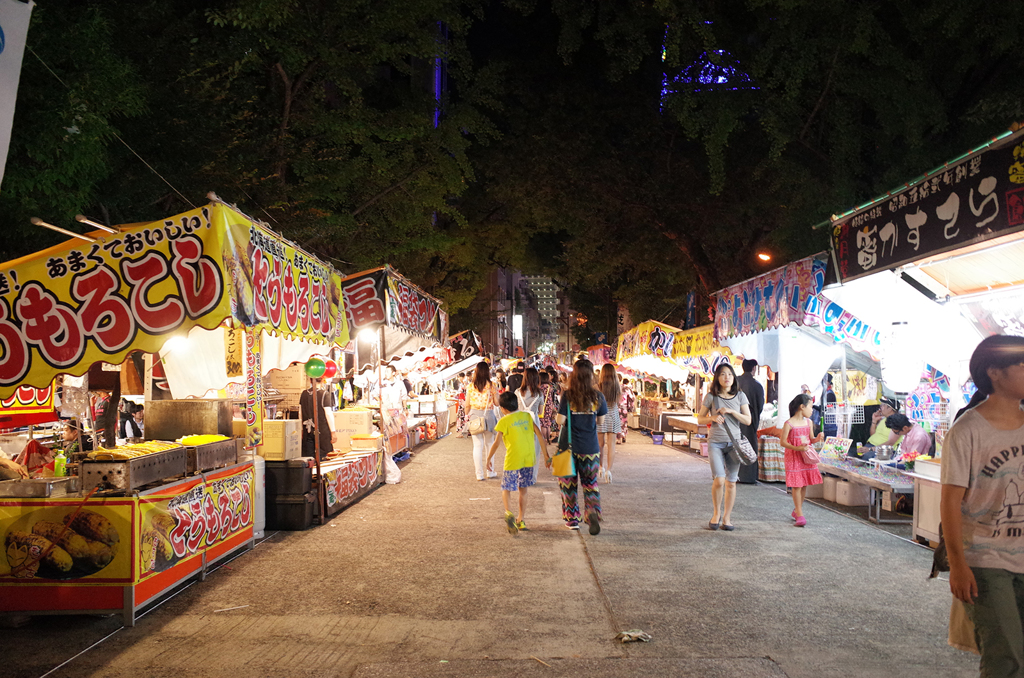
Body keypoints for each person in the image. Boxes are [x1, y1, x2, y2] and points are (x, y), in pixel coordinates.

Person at [941, 335, 1024, 678]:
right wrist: (958, 565)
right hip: (985, 562)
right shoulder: (967, 431)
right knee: (1006, 660)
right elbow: (949, 503)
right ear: (995, 372)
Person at [696, 363, 752, 531]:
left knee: (731, 482)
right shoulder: (711, 397)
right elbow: (700, 419)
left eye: (729, 374)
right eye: (722, 374)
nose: (726, 377)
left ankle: (727, 518)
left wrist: (732, 412)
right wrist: (712, 418)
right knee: (719, 479)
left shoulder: (740, 396)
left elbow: (748, 420)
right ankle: (716, 513)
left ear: (734, 377)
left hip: (734, 445)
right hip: (715, 443)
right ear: (717, 378)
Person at [556, 359, 608, 534]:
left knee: (568, 486)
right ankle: (592, 512)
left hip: (568, 448)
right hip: (590, 448)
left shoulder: (568, 395)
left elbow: (560, 420)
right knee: (590, 484)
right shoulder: (598, 396)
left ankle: (572, 520)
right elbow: (601, 421)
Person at [487, 391, 548, 535]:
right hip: (528, 459)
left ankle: (509, 513)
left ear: (503, 409)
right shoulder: (527, 416)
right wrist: (546, 455)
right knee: (523, 489)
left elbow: (496, 443)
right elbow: (539, 434)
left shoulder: (503, 421)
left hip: (512, 460)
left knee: (506, 488)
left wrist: (489, 458)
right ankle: (521, 519)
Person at [779, 394, 823, 527]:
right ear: (801, 407)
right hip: (793, 457)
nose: (812, 410)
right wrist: (796, 448)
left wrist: (818, 438)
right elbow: (782, 442)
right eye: (810, 407)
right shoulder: (789, 424)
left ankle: (797, 510)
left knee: (803, 484)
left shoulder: (808, 423)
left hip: (805, 457)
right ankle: (799, 513)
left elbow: (811, 439)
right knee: (797, 485)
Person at [467, 362, 500, 480]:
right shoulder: (492, 385)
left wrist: (467, 416)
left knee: (477, 445)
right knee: (489, 444)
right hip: (489, 416)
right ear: (487, 372)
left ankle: (479, 474)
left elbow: (467, 405)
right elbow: (497, 403)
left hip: (475, 416)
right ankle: (490, 472)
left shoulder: (470, 386)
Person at [735, 359, 765, 484]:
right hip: (749, 419)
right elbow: (760, 405)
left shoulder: (735, 381)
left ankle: (733, 474)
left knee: (734, 445)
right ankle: (748, 476)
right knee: (749, 446)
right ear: (754, 368)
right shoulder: (757, 385)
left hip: (734, 418)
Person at [516, 367, 545, 481]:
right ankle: (532, 477)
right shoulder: (539, 393)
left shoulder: (517, 392)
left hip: (519, 423)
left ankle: (520, 474)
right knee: (534, 450)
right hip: (534, 423)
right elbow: (541, 411)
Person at [596, 363, 621, 483]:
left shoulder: (598, 386)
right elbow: (619, 402)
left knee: (600, 444)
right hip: (613, 415)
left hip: (601, 415)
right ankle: (609, 471)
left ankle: (600, 467)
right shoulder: (617, 386)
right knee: (611, 445)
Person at [300, 377, 337, 459]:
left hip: (307, 430)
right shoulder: (324, 394)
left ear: (310, 380)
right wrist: (333, 432)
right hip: (322, 430)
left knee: (309, 458)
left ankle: (311, 472)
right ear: (322, 381)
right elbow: (328, 413)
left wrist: (301, 430)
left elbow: (300, 413)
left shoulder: (304, 393)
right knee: (324, 456)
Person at [539, 372, 559, 443]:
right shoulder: (550, 387)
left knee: (543, 423)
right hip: (550, 405)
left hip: (543, 406)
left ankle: (544, 439)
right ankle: (548, 439)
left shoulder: (540, 387)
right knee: (548, 423)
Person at [618, 377, 635, 444]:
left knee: (617, 423)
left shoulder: (616, 387)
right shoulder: (627, 388)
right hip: (624, 408)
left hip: (615, 407)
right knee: (624, 423)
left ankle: (618, 438)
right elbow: (632, 398)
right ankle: (624, 436)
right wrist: (630, 407)